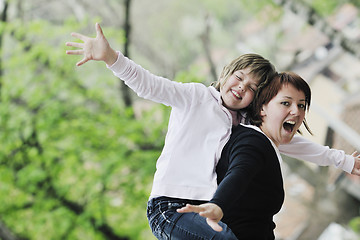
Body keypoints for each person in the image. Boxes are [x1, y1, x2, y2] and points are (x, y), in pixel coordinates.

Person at [65, 23, 360, 239]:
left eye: (251, 88)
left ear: (256, 100)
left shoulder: (244, 122)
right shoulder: (196, 97)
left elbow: (288, 142)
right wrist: (111, 58)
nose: (241, 87)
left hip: (204, 211)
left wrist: (343, 160)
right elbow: (150, 85)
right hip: (169, 207)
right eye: (239, 77)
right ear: (225, 74)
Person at [178, 72, 312, 239]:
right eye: (286, 103)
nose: (296, 111)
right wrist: (218, 205)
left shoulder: (261, 143)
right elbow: (240, 172)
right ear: (262, 107)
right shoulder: (253, 142)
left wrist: (344, 161)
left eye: (301, 105)